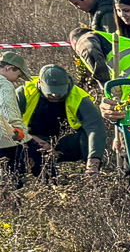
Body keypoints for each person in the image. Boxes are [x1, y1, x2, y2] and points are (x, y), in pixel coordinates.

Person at [20, 61, 106, 170]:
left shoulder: (78, 97)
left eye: (60, 91)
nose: (56, 95)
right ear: (40, 84)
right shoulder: (25, 93)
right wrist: (34, 141)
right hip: (31, 138)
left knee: (86, 137)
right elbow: (7, 122)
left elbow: (96, 127)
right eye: (51, 92)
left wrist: (94, 161)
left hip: (64, 141)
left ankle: (90, 175)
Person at [0, 51, 32, 181]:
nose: (17, 80)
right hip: (3, 140)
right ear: (9, 68)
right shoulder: (5, 84)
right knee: (13, 176)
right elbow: (8, 109)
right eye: (18, 76)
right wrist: (19, 131)